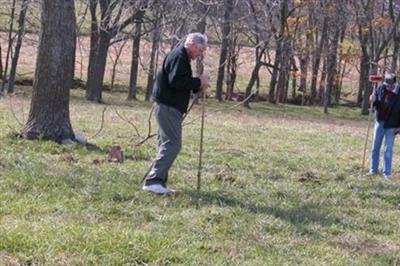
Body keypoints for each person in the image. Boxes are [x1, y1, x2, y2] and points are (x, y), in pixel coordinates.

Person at [142, 33, 210, 194]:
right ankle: (153, 181)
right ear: (192, 45)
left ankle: (158, 182)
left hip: (167, 105)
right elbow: (177, 81)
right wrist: (199, 81)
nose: (200, 54)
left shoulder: (181, 57)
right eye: (200, 50)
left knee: (165, 143)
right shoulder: (180, 56)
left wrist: (198, 85)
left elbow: (180, 80)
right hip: (168, 107)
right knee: (173, 144)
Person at [369, 73, 400, 179]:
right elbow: (377, 103)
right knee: (375, 147)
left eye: (390, 86)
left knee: (388, 150)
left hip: (392, 125)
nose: (388, 87)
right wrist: (373, 100)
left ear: (395, 84)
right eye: (386, 85)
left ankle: (387, 173)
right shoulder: (380, 88)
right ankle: (373, 170)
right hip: (379, 122)